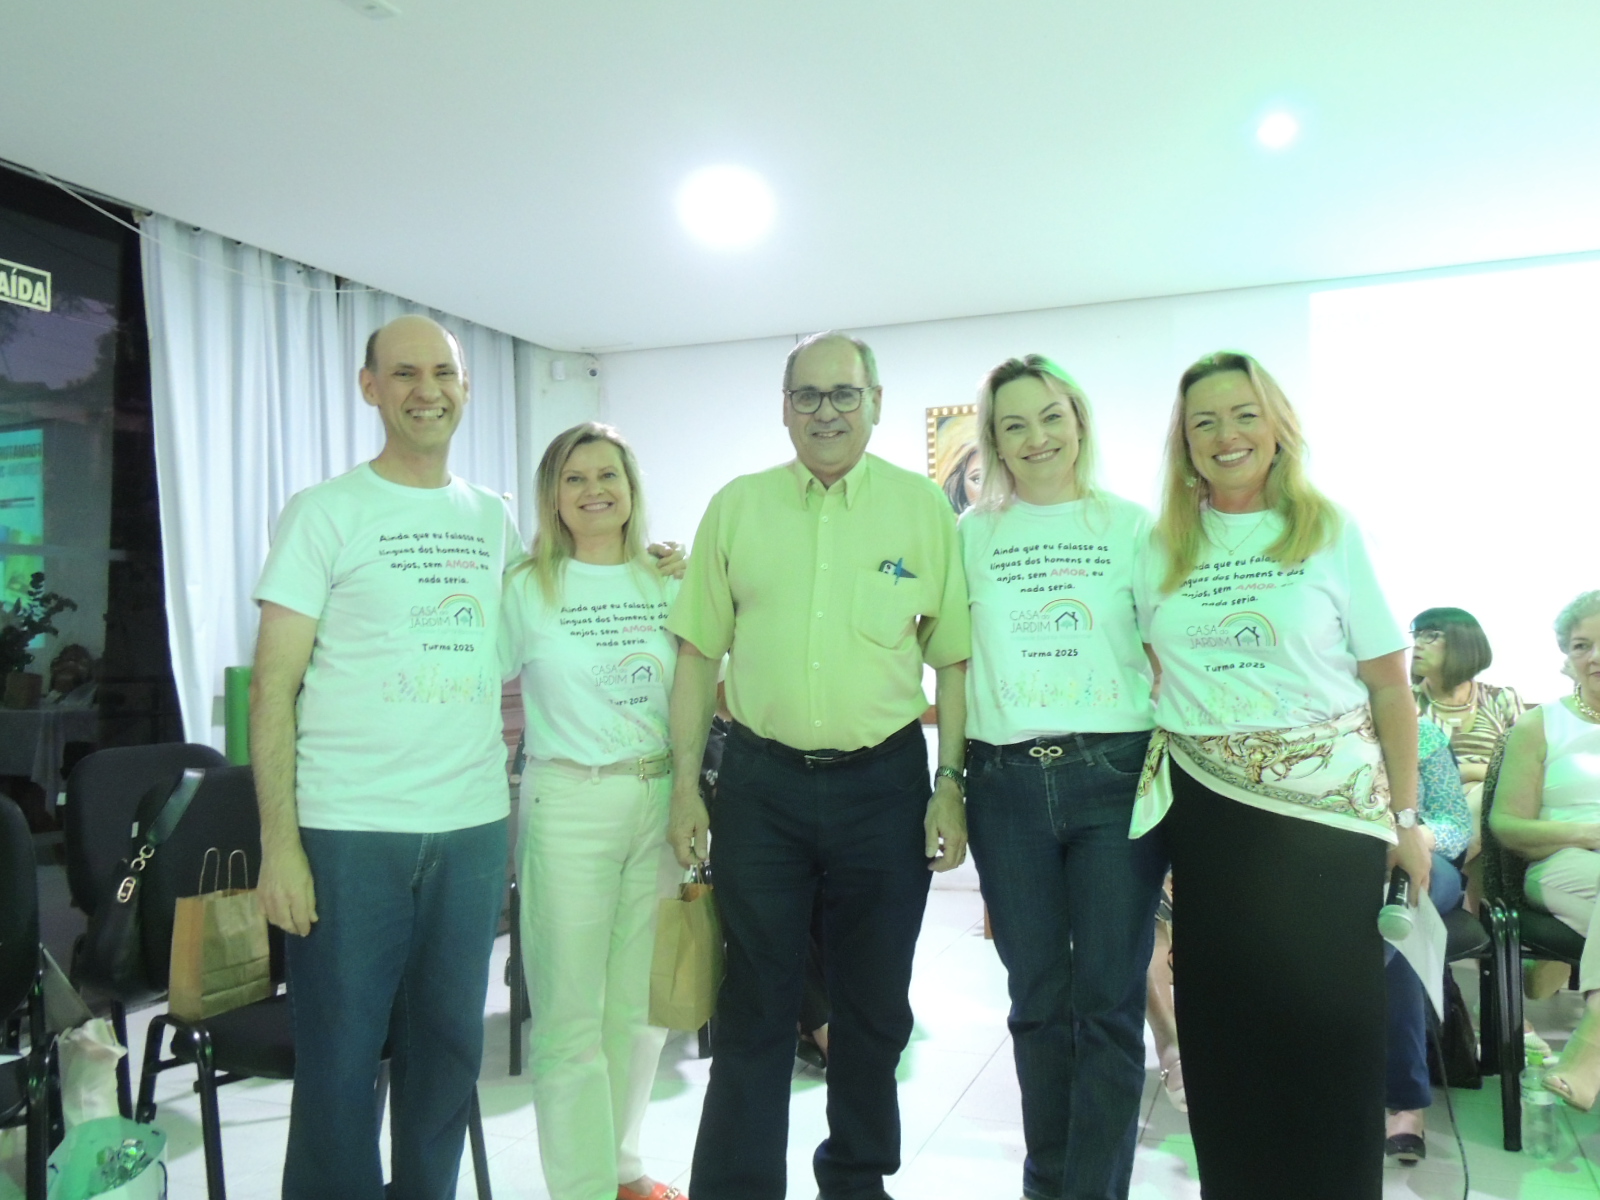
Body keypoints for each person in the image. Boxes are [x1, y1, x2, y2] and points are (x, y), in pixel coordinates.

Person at [666, 330, 971, 1200]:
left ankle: (856, 1180)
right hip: (761, 788)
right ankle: (737, 1187)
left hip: (884, 787)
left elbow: (953, 661)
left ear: (875, 402)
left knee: (873, 1006)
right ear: (785, 407)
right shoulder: (738, 507)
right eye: (808, 394)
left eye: (844, 394)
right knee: (756, 1003)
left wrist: (950, 785)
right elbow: (697, 655)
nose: (826, 412)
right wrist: (684, 786)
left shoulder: (921, 510)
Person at [1132, 350, 1428, 1200]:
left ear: (1277, 426)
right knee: (1226, 1031)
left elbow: (1389, 686)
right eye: (1204, 421)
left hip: (1328, 820)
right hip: (1210, 816)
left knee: (1327, 1030)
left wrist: (1408, 820)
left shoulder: (1329, 531)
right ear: (1185, 441)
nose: (1226, 435)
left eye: (1243, 414)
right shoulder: (1160, 545)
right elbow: (1149, 667)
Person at [251, 315, 521, 1199]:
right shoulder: (324, 512)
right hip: (349, 831)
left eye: (443, 372)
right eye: (404, 373)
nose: (426, 390)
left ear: (466, 388)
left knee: (446, 1057)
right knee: (338, 1065)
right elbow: (272, 690)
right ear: (370, 387)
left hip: (471, 826)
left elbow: (543, 625)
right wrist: (280, 846)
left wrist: (646, 569)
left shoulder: (493, 519)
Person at [959, 355, 1164, 1200]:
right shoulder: (969, 535)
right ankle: (1050, 1186)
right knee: (1037, 1002)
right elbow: (947, 658)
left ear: (1078, 419)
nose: (1036, 437)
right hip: (1003, 784)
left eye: (1050, 416)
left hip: (1113, 776)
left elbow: (1167, 650)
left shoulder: (1133, 527)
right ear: (994, 440)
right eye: (1014, 424)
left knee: (1109, 1004)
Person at [500, 421, 687, 1200]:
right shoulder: (525, 588)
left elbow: (700, 692)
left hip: (658, 798)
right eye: (574, 479)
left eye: (607, 475)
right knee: (571, 1017)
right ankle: (579, 1189)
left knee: (641, 1011)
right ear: (552, 496)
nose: (593, 490)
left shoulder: (666, 581)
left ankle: (620, 1168)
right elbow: (477, 688)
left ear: (631, 488)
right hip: (570, 800)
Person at [1488, 590, 1600, 1110]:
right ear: (1566, 656)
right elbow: (1505, 825)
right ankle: (1588, 1058)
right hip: (1559, 865)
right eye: (1582, 645)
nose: (1594, 656)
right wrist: (1586, 833)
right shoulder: (1541, 725)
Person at [1383, 720, 1470, 1163]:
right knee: (1394, 927)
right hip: (1352, 861)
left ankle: (1405, 1101)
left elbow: (1456, 822)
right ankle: (1406, 1102)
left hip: (1426, 858)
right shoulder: (1321, 724)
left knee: (1405, 910)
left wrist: (1414, 841)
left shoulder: (1423, 734)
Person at [1411, 606, 1526, 836]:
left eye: (1431, 635)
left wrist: (1468, 773)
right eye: (1416, 635)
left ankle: (1442, 849)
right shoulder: (1405, 703)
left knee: (1485, 794)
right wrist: (1476, 774)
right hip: (1426, 807)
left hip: (1494, 801)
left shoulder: (1501, 699)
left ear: (1463, 644)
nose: (1417, 644)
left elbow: (1525, 769)